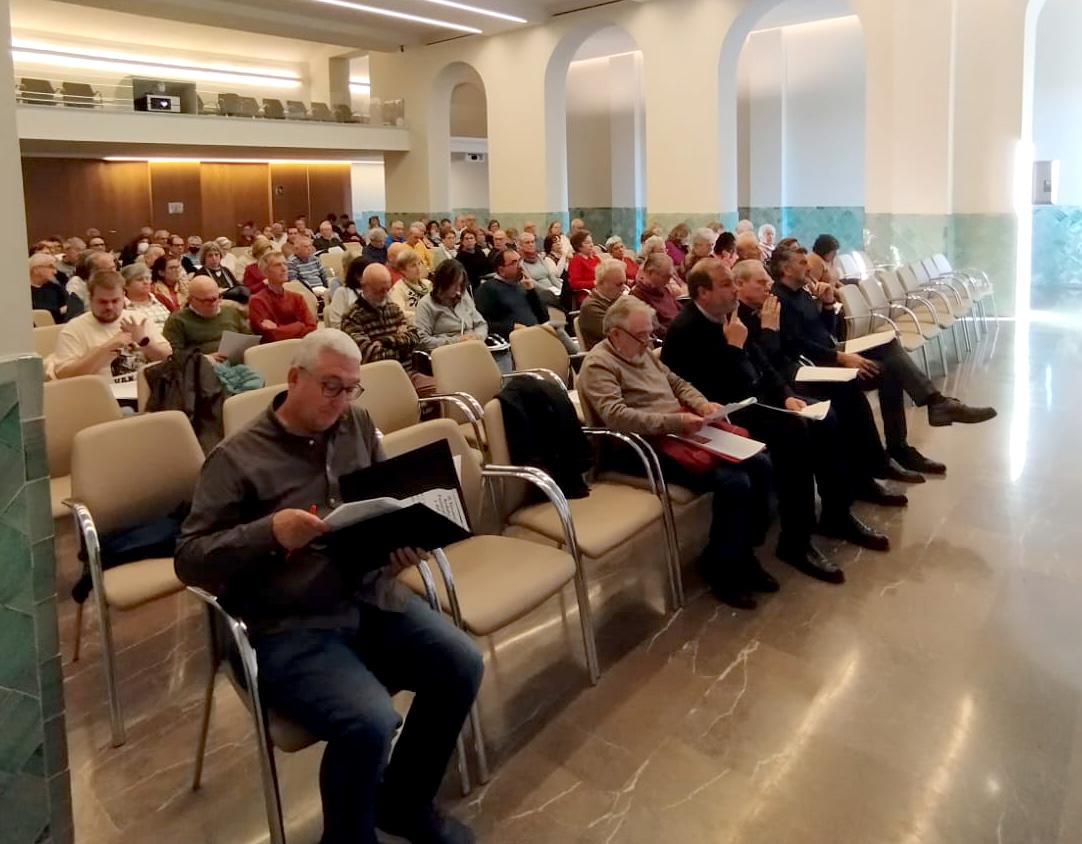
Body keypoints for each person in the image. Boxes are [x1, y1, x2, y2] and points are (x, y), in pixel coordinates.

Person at [174, 328, 482, 844]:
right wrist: (268, 533)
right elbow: (190, 560)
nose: (341, 401)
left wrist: (402, 538)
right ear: (295, 379)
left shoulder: (355, 423)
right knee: (369, 721)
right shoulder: (236, 458)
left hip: (366, 594)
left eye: (351, 388)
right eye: (331, 387)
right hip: (289, 622)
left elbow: (385, 497)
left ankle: (403, 804)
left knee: (460, 664)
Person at [662, 258, 889, 584]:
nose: (733, 291)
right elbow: (718, 389)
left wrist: (785, 394)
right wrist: (734, 349)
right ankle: (795, 541)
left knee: (824, 416)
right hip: (719, 414)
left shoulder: (730, 315)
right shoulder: (685, 330)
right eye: (726, 284)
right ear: (702, 293)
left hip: (752, 399)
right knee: (793, 433)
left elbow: (763, 364)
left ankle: (837, 514)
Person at [577, 295, 772, 609]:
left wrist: (702, 404)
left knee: (760, 463)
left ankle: (742, 552)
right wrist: (675, 421)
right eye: (640, 335)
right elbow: (616, 417)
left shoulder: (643, 352)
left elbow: (677, 383)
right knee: (734, 482)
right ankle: (722, 567)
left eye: (648, 334)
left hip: (678, 433)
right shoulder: (599, 364)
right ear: (614, 334)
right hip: (640, 448)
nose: (647, 341)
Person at [770, 244, 996, 474]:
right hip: (813, 365)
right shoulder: (779, 299)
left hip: (831, 351)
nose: (809, 267)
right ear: (786, 270)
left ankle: (924, 418)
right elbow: (796, 345)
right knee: (889, 372)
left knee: (888, 345)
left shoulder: (804, 293)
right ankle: (906, 439)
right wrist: (841, 357)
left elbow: (826, 332)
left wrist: (827, 303)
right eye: (802, 263)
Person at [732, 258, 923, 489]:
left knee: (882, 368)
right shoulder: (759, 308)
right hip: (790, 376)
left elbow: (823, 333)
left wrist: (828, 305)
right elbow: (770, 360)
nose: (768, 285)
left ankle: (884, 458)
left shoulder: (786, 299)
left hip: (802, 365)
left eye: (768, 280)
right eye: (761, 282)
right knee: (844, 396)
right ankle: (863, 476)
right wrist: (770, 331)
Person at [53, 270, 170, 380]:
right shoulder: (74, 328)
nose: (109, 307)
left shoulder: (139, 319)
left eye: (115, 301)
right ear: (90, 299)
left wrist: (145, 342)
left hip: (146, 394)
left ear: (124, 297)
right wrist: (108, 347)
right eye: (103, 302)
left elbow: (169, 360)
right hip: (101, 397)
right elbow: (64, 376)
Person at [341, 263, 434, 396]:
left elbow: (415, 337)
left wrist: (386, 341)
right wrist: (403, 348)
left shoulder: (392, 308)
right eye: (379, 291)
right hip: (380, 379)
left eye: (387, 289)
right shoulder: (352, 317)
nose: (385, 294)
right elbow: (370, 356)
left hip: (410, 372)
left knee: (440, 392)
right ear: (364, 287)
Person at [475, 248, 577, 355]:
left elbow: (544, 318)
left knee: (558, 330)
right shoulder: (488, 289)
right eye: (514, 263)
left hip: (537, 334)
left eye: (520, 261)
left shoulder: (522, 286)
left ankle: (580, 361)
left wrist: (531, 292)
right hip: (517, 341)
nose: (520, 266)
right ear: (501, 270)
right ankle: (581, 361)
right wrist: (511, 327)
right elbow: (484, 324)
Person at [162, 275, 252, 354]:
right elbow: (174, 355)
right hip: (202, 368)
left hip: (237, 361)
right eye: (206, 301)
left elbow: (249, 339)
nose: (213, 304)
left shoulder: (230, 311)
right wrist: (204, 359)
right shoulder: (177, 321)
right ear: (190, 300)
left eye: (215, 299)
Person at [414, 259, 488, 350]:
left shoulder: (463, 296)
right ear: (442, 283)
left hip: (473, 347)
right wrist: (457, 341)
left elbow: (481, 324)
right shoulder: (426, 304)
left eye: (460, 285)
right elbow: (422, 341)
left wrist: (478, 337)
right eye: (454, 285)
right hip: (448, 352)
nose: (458, 290)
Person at [248, 251, 317, 343]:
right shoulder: (257, 301)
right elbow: (269, 336)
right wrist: (299, 326)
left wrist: (278, 328)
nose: (284, 268)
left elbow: (312, 328)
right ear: (265, 272)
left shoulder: (297, 298)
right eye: (277, 265)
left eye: (285, 264)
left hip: (300, 348)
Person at [578, 260, 627, 352]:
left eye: (624, 282)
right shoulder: (591, 307)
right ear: (601, 283)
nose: (623, 288)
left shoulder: (617, 300)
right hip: (608, 359)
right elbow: (620, 336)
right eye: (619, 284)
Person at [630, 253, 681, 340]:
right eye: (665, 276)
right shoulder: (637, 296)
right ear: (650, 273)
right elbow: (656, 330)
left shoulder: (663, 289)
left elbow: (680, 310)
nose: (669, 281)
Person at [30, 252, 83, 324]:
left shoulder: (55, 287)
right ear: (36, 269)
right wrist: (59, 311)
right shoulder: (25, 291)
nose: (55, 272)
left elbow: (71, 303)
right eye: (51, 267)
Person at [518, 231, 563, 309]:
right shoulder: (520, 262)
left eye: (532, 242)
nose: (531, 244)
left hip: (553, 291)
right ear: (521, 245)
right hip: (539, 293)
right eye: (527, 242)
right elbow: (531, 281)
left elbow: (550, 275)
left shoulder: (539, 257)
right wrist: (549, 291)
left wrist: (560, 289)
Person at [389, 251, 432, 322]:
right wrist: (423, 315)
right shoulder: (397, 289)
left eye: (419, 264)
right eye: (413, 265)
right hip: (415, 326)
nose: (418, 268)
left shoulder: (428, 284)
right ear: (403, 270)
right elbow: (400, 313)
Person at [325, 256, 366, 330]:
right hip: (351, 336)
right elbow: (337, 325)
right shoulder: (342, 292)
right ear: (358, 276)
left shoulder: (376, 292)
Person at [567, 229, 600, 306]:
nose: (591, 245)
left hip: (601, 291)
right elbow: (574, 283)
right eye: (587, 243)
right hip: (587, 295)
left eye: (591, 242)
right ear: (578, 246)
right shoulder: (576, 260)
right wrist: (594, 283)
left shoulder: (596, 259)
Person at [455, 229, 489, 294]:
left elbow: (487, 267)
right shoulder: (459, 257)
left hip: (483, 282)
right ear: (462, 241)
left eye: (471, 238)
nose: (469, 241)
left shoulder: (479, 252)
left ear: (475, 240)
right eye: (466, 239)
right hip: (469, 287)